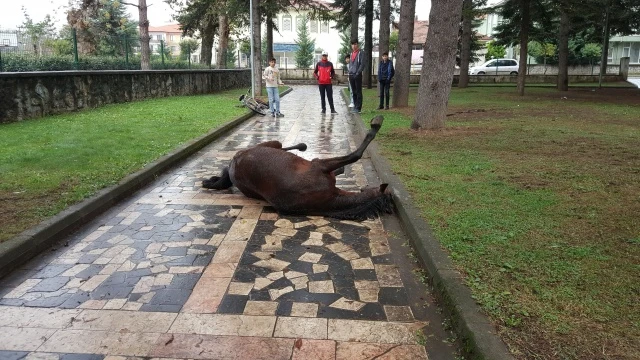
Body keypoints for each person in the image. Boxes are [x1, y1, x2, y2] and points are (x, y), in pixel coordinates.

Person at [348, 39, 366, 113]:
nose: (354, 46)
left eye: (355, 44)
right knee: (354, 91)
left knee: (358, 91)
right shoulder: (352, 53)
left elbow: (362, 64)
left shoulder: (361, 53)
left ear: (357, 44)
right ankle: (355, 106)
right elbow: (350, 64)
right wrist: (350, 73)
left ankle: (358, 108)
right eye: (352, 44)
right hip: (351, 74)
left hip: (357, 75)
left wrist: (358, 72)